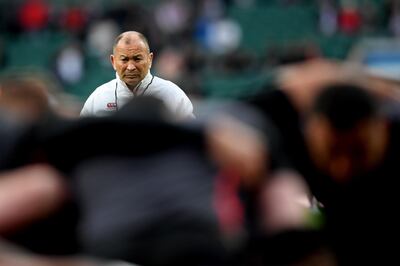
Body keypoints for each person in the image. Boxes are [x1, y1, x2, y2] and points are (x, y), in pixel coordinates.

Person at [80, 31, 195, 120]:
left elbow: (190, 139)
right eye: (124, 60)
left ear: (150, 59)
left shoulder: (172, 95)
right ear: (113, 61)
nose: (131, 67)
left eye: (137, 59)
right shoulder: (98, 98)